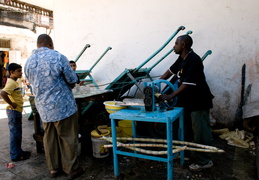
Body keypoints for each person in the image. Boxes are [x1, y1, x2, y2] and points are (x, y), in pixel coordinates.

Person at [24, 34, 84, 179]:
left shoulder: (28, 61)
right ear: (51, 44)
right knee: (68, 137)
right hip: (63, 106)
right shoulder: (58, 57)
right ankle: (71, 170)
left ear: (38, 44)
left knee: (49, 138)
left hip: (43, 108)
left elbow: (30, 82)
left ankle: (53, 169)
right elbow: (71, 79)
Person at [159, 35, 214, 171]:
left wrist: (170, 95)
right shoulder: (183, 58)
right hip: (187, 101)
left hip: (198, 101)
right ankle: (186, 154)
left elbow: (186, 84)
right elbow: (170, 72)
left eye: (176, 43)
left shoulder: (194, 60)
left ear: (183, 45)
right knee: (186, 129)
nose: (174, 46)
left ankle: (204, 161)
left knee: (200, 132)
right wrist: (156, 84)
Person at [0, 63, 31, 161]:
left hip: (17, 111)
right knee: (15, 133)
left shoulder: (15, 81)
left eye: (21, 70)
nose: (21, 73)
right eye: (19, 71)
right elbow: (3, 93)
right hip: (13, 111)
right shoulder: (11, 82)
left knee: (17, 133)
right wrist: (12, 104)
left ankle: (18, 151)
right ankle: (15, 155)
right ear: (12, 72)